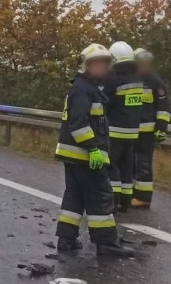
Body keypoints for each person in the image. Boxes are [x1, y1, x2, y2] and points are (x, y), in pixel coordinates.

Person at [54, 43, 131, 257]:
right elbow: (78, 123)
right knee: (100, 195)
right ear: (86, 65)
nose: (103, 67)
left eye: (105, 63)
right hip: (85, 156)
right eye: (98, 63)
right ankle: (106, 243)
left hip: (76, 155)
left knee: (75, 197)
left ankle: (66, 239)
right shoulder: (83, 89)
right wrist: (93, 148)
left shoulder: (88, 87)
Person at [103, 41, 145, 213]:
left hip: (115, 131)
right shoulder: (137, 80)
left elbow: (105, 102)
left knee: (112, 166)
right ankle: (125, 201)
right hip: (132, 132)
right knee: (127, 167)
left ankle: (112, 200)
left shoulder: (113, 79)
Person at [132, 48, 171, 208]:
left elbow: (164, 108)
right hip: (131, 131)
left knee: (143, 164)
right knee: (130, 164)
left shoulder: (156, 83)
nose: (145, 66)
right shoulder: (131, 81)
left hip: (147, 133)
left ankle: (143, 198)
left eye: (147, 63)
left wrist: (161, 128)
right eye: (142, 63)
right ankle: (131, 194)